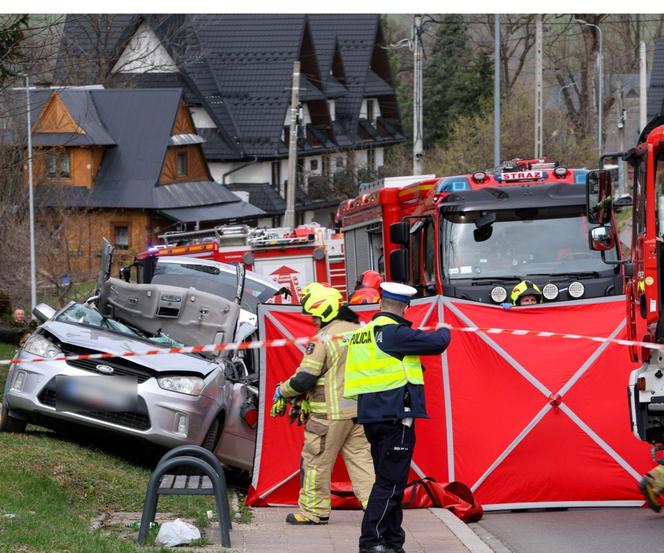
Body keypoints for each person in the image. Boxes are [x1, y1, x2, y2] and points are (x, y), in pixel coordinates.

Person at [344, 282, 451, 553]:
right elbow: (437, 343)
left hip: (372, 416)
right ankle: (371, 542)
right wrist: (444, 329)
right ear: (405, 308)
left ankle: (393, 541)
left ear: (380, 304)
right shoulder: (394, 333)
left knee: (388, 480)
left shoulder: (363, 333)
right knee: (390, 484)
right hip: (395, 418)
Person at [274, 282, 375, 525]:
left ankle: (313, 512)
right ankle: (378, 511)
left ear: (324, 311)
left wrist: (283, 391)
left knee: (315, 462)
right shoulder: (359, 332)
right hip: (359, 413)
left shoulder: (324, 338)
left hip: (328, 416)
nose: (312, 321)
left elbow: (305, 378)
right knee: (363, 464)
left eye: (314, 316)